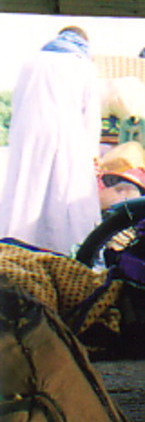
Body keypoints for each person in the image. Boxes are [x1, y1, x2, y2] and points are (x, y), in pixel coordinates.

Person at [0, 26, 102, 255]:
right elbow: (91, 116)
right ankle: (68, 254)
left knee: (27, 191)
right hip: (66, 135)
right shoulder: (83, 66)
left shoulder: (31, 62)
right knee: (65, 195)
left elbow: (17, 103)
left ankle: (15, 249)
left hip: (27, 135)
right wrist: (92, 154)